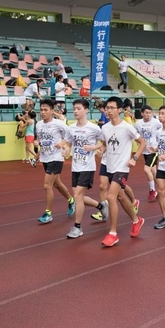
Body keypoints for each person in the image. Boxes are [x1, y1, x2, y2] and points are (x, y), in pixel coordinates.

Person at [99, 96, 146, 247]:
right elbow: (105, 144)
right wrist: (101, 149)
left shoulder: (127, 127)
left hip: (122, 167)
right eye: (107, 108)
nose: (109, 111)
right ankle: (136, 220)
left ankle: (113, 233)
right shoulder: (105, 128)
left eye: (112, 108)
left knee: (110, 196)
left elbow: (142, 142)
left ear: (120, 110)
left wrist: (135, 157)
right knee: (120, 196)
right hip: (110, 166)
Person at [63, 99, 108, 238]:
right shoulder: (71, 127)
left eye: (78, 108)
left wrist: (94, 148)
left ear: (86, 110)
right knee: (79, 197)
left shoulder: (94, 128)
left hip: (88, 167)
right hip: (75, 166)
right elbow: (69, 143)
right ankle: (101, 206)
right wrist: (66, 150)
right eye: (74, 108)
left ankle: (77, 227)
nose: (75, 111)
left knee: (77, 196)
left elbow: (104, 143)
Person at [36, 98, 75, 224]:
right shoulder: (38, 124)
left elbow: (71, 134)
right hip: (45, 157)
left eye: (45, 110)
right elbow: (41, 141)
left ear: (52, 111)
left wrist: (63, 142)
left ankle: (48, 213)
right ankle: (71, 200)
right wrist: (38, 154)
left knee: (47, 185)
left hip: (56, 158)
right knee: (57, 184)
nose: (42, 112)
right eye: (41, 109)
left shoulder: (59, 124)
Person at [135, 105, 162, 201]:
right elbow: (136, 134)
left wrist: (157, 146)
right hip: (145, 151)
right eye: (146, 113)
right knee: (153, 171)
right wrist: (139, 142)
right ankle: (162, 188)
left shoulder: (156, 123)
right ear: (142, 113)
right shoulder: (138, 124)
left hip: (153, 150)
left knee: (147, 170)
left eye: (150, 113)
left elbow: (163, 130)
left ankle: (152, 191)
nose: (148, 115)